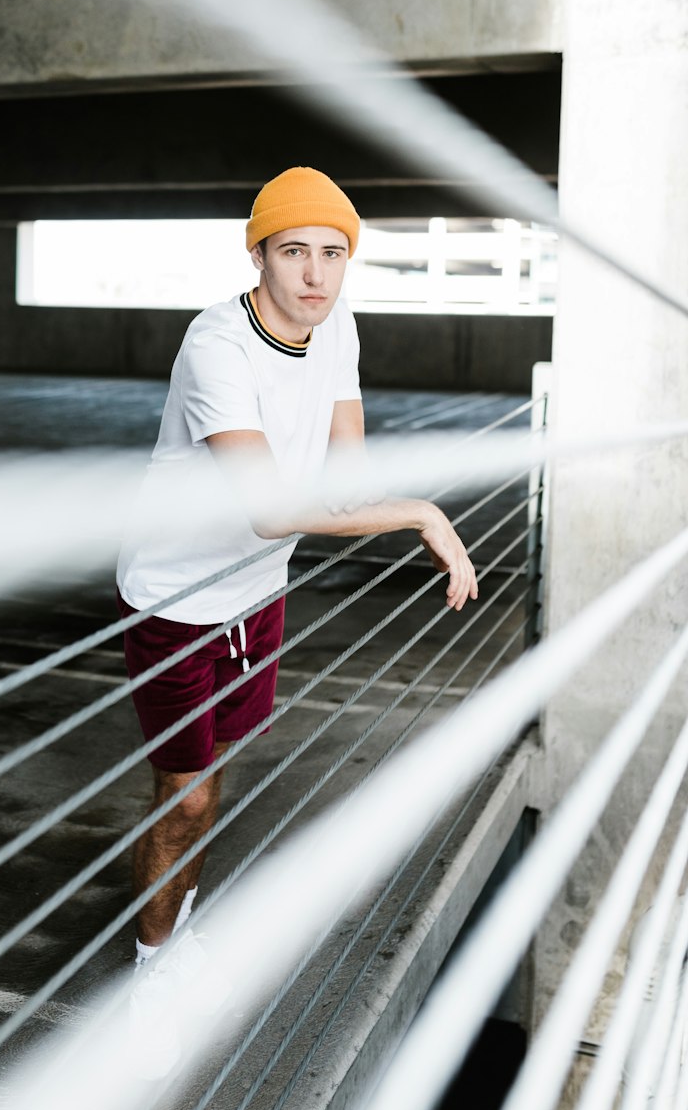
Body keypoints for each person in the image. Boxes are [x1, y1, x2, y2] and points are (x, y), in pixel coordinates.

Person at [115, 166, 478, 1005]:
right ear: (259, 256)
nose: (315, 275)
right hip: (176, 598)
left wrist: (394, 505)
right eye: (293, 253)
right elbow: (276, 511)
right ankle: (150, 974)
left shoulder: (337, 323)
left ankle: (179, 926)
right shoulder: (218, 345)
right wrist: (419, 512)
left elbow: (344, 482)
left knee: (213, 780)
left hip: (256, 596)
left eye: (331, 253)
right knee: (187, 795)